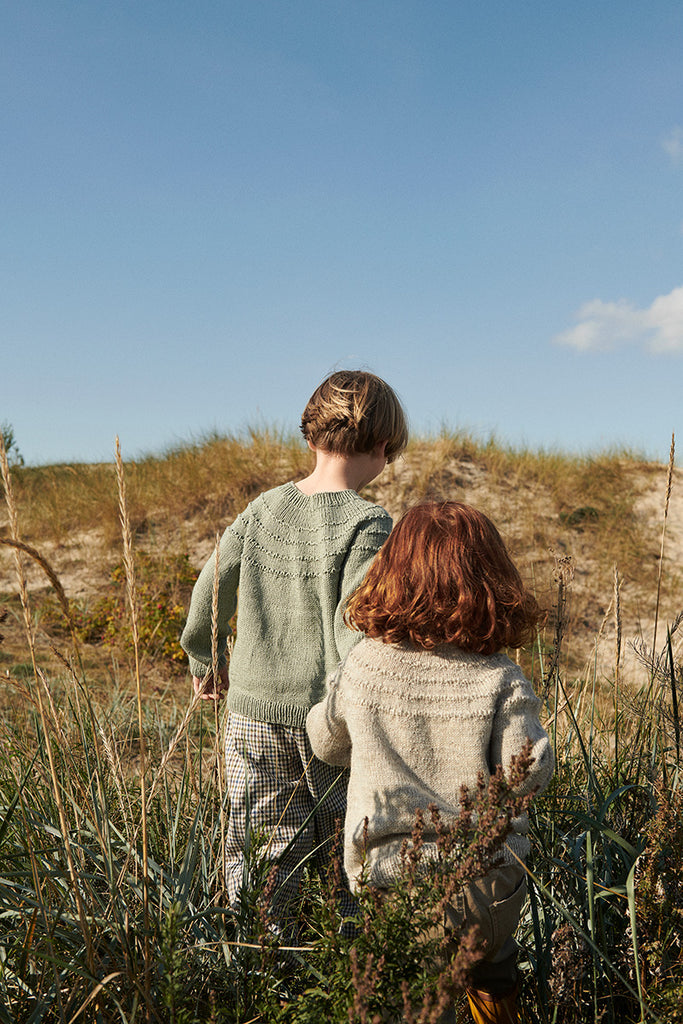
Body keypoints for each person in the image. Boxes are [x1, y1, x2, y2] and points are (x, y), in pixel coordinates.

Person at [306, 502, 554, 1024]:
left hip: (393, 881)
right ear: (490, 580)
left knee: (417, 999)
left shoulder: (365, 664)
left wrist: (347, 703)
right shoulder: (499, 676)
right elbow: (529, 771)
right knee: (493, 964)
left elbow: (326, 743)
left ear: (391, 573)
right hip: (488, 883)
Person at [180, 370, 408, 924]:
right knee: (344, 847)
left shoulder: (263, 509)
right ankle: (344, 954)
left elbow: (212, 585)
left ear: (312, 436)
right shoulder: (369, 522)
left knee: (260, 850)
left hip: (251, 714)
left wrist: (206, 658)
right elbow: (355, 624)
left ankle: (259, 953)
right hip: (325, 720)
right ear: (382, 447)